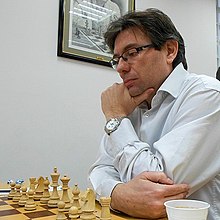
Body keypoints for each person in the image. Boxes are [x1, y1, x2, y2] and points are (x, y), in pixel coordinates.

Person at [88, 8, 220, 220]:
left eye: (131, 53)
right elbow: (100, 170)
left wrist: (115, 117)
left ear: (169, 50)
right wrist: (117, 194)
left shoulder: (208, 95)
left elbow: (160, 186)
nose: (120, 67)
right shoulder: (128, 105)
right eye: (117, 59)